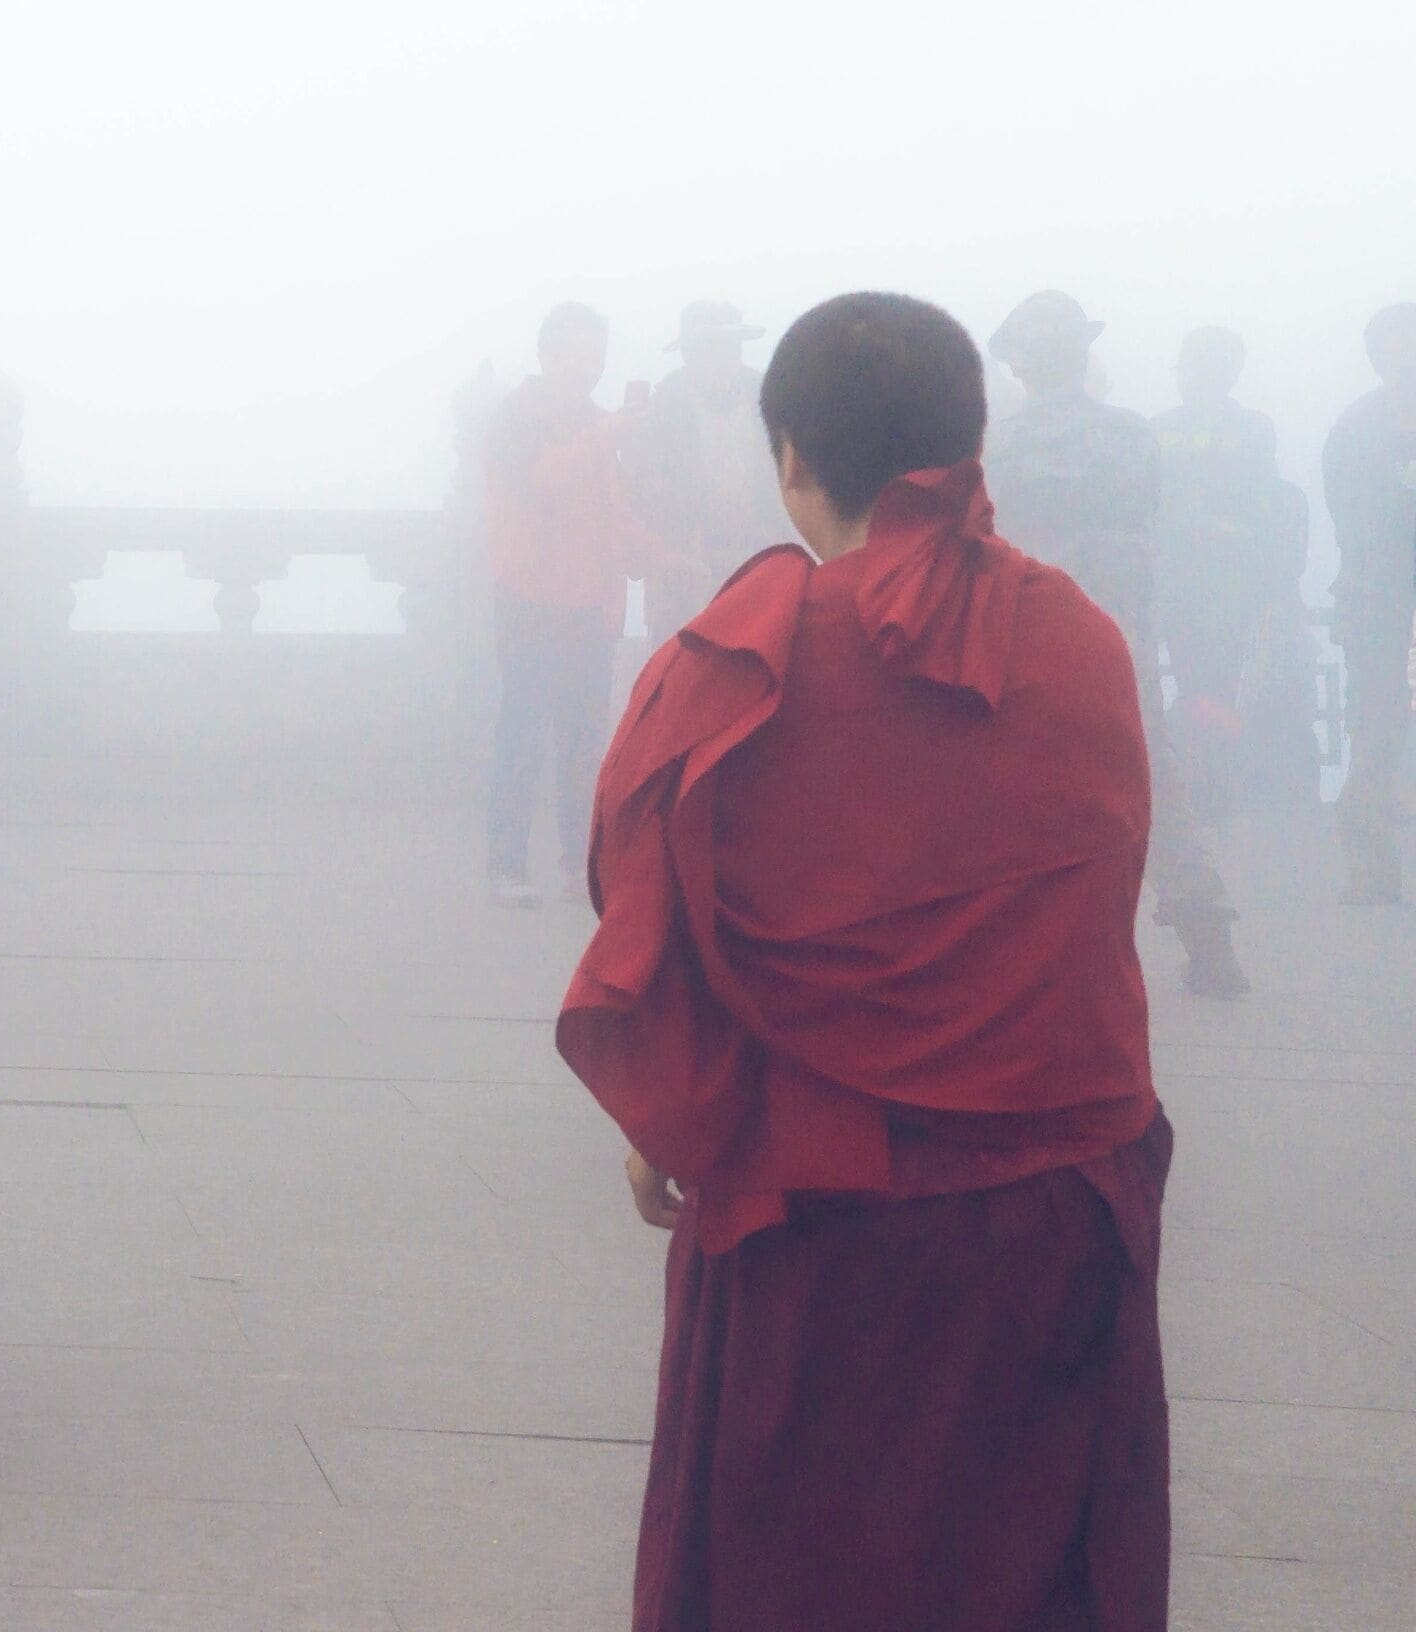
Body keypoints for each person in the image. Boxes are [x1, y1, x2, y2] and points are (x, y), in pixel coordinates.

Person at [559, 292, 1173, 1632]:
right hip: (1056, 1219)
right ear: (970, 435)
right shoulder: (1081, 642)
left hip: (822, 1229)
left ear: (790, 458)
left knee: (805, 1584)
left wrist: (665, 1118)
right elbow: (1091, 906)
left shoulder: (731, 667)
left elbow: (655, 925)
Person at [987, 290, 1249, 996]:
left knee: (1021, 780)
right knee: (1149, 771)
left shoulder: (998, 444)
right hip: (1118, 633)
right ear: (1083, 354)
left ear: (1020, 365)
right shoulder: (1133, 433)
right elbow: (1146, 515)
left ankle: (1032, 951)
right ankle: (1208, 937)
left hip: (1025, 634)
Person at [480, 302, 689, 906]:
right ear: (547, 355)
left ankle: (580, 862)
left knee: (583, 742)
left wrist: (664, 559)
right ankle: (507, 866)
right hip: (529, 600)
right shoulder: (516, 419)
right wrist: (605, 434)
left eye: (597, 356)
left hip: (591, 607)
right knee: (520, 737)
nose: (590, 368)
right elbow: (542, 485)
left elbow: (612, 515)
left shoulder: (599, 424)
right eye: (578, 354)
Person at [1149, 327, 1303, 817]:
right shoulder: (1249, 428)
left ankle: (1201, 782)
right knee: (1210, 684)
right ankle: (1204, 781)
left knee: (1206, 684)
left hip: (1207, 585)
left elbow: (1264, 505)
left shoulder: (1165, 429)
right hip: (1204, 584)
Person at [625, 301, 789, 639]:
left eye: (727, 347)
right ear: (688, 354)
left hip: (760, 562)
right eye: (706, 349)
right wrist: (702, 505)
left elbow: (795, 475)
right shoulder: (660, 409)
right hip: (684, 570)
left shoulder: (774, 401)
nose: (718, 358)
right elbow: (641, 486)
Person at [1324, 302, 1416, 904]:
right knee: (1375, 731)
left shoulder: (1358, 424)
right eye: (1392, 343)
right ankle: (1373, 867)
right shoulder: (1357, 426)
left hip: (1377, 595)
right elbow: (1347, 517)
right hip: (1377, 600)